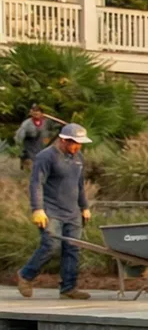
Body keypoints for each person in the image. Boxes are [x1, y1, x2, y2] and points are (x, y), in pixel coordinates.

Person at [18, 123, 92, 300]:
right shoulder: (46, 156)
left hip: (72, 212)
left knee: (73, 249)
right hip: (51, 211)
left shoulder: (78, 157)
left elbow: (79, 185)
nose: (78, 146)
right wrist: (37, 209)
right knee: (51, 245)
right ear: (63, 140)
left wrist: (84, 207)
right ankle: (26, 275)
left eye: (80, 143)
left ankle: (68, 288)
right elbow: (36, 183)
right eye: (75, 143)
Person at [13, 105, 52, 170]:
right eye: (34, 111)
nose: (36, 113)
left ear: (42, 113)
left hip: (41, 148)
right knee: (32, 169)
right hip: (29, 150)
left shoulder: (46, 122)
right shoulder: (26, 124)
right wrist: (19, 150)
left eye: (38, 111)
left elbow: (53, 130)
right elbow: (18, 137)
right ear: (31, 113)